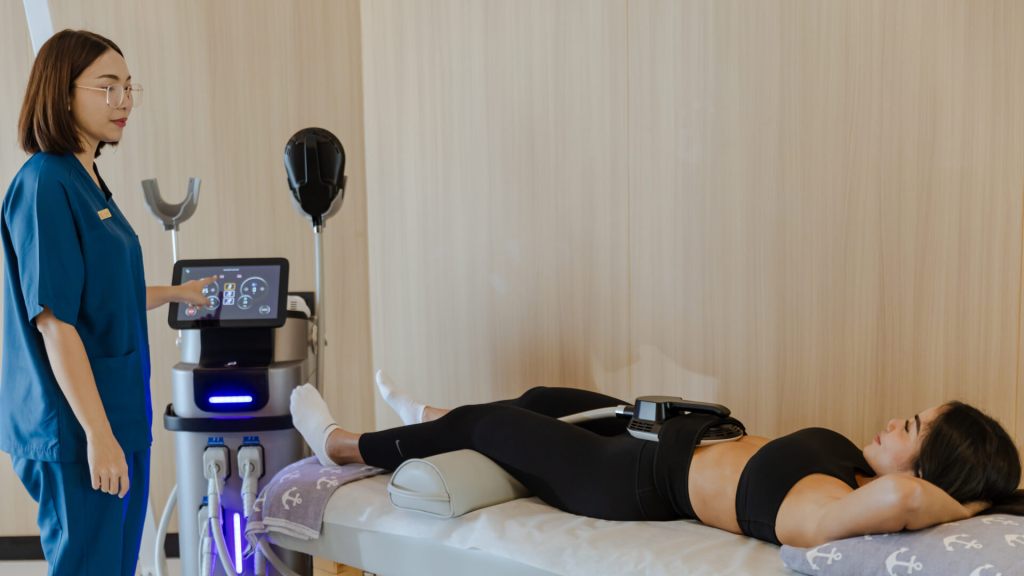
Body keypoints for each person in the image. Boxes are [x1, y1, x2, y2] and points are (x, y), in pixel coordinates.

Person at [289, 371, 1022, 548]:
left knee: (496, 424)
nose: (895, 421)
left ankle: (344, 444)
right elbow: (900, 492)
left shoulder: (824, 510)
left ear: (928, 472)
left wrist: (965, 502)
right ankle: (428, 419)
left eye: (912, 428)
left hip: (627, 479)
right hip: (665, 433)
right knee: (546, 397)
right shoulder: (852, 471)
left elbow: (905, 502)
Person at [1, 30, 213, 575]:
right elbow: (54, 320)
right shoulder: (46, 183)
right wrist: (98, 435)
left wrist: (177, 293)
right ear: (62, 92)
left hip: (116, 414)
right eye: (107, 86)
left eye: (128, 87)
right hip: (75, 427)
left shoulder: (87, 178)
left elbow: (101, 295)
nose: (124, 101)